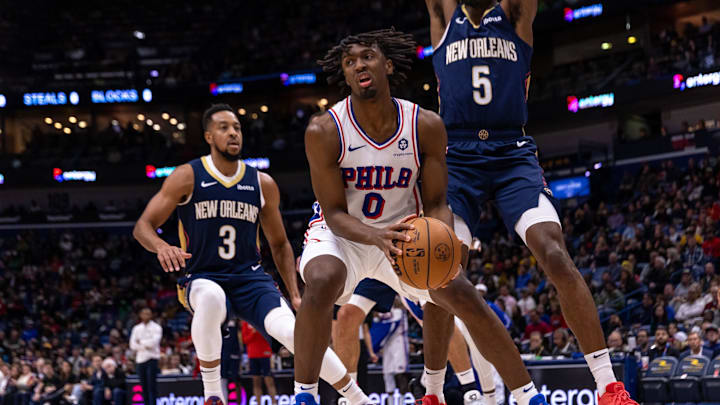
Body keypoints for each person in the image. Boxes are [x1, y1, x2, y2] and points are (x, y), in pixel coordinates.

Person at [294, 28, 547, 405]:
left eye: (368, 57)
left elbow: (438, 201)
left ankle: (528, 396)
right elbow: (332, 213)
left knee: (461, 294)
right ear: (345, 76)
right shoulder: (325, 129)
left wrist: (445, 238)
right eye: (350, 62)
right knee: (322, 280)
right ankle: (305, 395)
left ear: (388, 65)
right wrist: (376, 236)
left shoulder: (424, 125)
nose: (359, 64)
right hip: (344, 235)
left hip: (408, 236)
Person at [423, 0, 637, 402]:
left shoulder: (515, 15)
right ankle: (432, 392)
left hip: (512, 152)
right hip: (457, 155)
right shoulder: (443, 16)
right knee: (441, 268)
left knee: (555, 254)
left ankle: (609, 385)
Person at [133, 104, 369, 405]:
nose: (233, 133)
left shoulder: (262, 183)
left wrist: (294, 295)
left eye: (237, 128)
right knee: (210, 298)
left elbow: (281, 244)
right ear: (208, 136)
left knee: (295, 332)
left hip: (250, 278)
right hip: (203, 274)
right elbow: (142, 226)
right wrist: (162, 247)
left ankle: (359, 400)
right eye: (223, 127)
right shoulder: (187, 176)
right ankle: (213, 394)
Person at [129, 307, 162, 405]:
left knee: (152, 386)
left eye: (148, 313)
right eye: (144, 313)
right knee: (143, 386)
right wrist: (146, 345)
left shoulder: (156, 327)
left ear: (151, 315)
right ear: (140, 315)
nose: (146, 315)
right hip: (140, 360)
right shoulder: (136, 328)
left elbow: (154, 343)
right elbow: (132, 345)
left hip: (152, 359)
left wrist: (141, 342)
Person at [241, 321, 277, 405]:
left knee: (269, 380)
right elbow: (245, 340)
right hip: (252, 355)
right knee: (256, 381)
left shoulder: (262, 320)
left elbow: (269, 336)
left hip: (265, 353)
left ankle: (274, 403)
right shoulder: (246, 323)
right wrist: (253, 332)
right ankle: (258, 403)